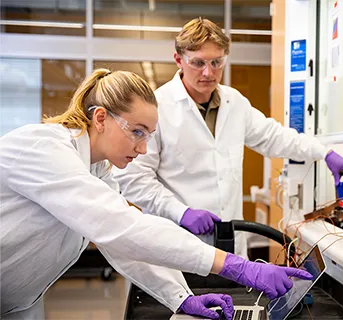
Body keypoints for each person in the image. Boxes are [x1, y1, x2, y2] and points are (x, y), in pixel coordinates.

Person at [0, 69, 312, 320]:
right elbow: (120, 227)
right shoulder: (42, 147)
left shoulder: (99, 171)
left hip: (21, 300)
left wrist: (181, 296)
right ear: (100, 118)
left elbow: (124, 244)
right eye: (136, 131)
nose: (143, 147)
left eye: (149, 135)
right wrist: (235, 266)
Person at [113, 17, 343, 256]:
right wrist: (181, 212)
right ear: (179, 59)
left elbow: (275, 137)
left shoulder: (235, 102)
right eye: (198, 63)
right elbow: (133, 178)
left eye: (217, 62)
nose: (209, 72)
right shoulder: (158, 107)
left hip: (228, 242)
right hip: (175, 241)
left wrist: (323, 153)